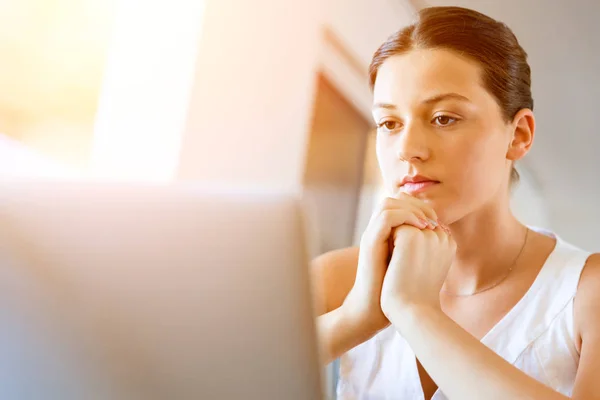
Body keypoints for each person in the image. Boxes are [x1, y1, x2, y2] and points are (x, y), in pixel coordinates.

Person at [312, 6, 600, 399]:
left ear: (518, 135)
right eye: (390, 124)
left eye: (444, 118)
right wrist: (354, 318)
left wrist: (416, 313)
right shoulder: (338, 280)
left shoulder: (587, 292)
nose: (408, 150)